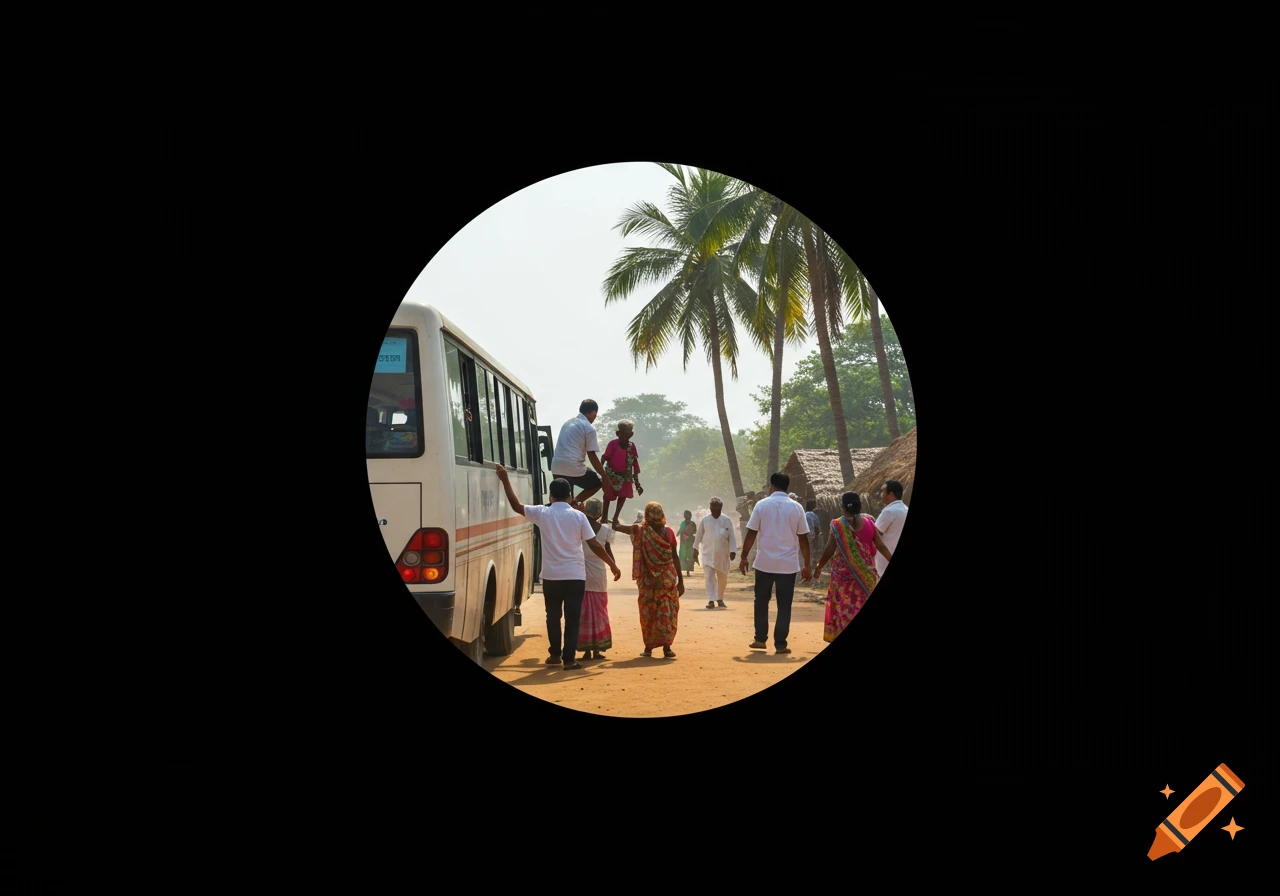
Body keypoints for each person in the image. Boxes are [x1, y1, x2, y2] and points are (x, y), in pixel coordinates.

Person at [493, 463, 619, 670]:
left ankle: (555, 655)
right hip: (576, 576)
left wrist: (505, 480)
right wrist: (612, 565)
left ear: (551, 496)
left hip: (552, 577)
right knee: (572, 617)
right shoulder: (578, 516)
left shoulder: (543, 513)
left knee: (553, 616)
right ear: (570, 496)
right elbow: (594, 544)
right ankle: (569, 660)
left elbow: (516, 506)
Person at [738, 472, 811, 655]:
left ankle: (760, 639)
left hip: (764, 563)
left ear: (771, 486)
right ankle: (780, 644)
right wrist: (807, 565)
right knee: (784, 605)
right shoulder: (797, 508)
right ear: (787, 488)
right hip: (788, 565)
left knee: (761, 601)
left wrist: (744, 556)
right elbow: (803, 538)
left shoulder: (762, 505)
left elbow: (752, 533)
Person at [812, 491, 892, 642]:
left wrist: (819, 567)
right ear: (859, 506)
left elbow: (829, 549)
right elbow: (880, 546)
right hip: (866, 574)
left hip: (842, 577)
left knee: (843, 607)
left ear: (843, 507)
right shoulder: (869, 523)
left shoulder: (837, 525)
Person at [612, 503, 684, 658]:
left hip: (647, 580)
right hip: (667, 579)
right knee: (666, 611)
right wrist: (681, 580)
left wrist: (614, 510)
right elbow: (675, 557)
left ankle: (648, 647)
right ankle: (667, 647)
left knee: (648, 612)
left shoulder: (639, 530)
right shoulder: (669, 532)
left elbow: (616, 526)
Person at [550, 399, 609, 508]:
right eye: (594, 416)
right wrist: (604, 477)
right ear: (593, 413)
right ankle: (574, 503)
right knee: (596, 484)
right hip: (574, 468)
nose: (594, 419)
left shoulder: (567, 423)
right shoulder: (588, 428)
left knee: (562, 501)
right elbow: (592, 455)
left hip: (556, 467)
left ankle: (566, 507)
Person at [578, 498, 615, 660]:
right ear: (600, 512)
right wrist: (614, 567)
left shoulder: (579, 527)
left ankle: (585, 648)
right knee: (599, 610)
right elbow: (607, 551)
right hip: (599, 574)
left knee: (583, 611)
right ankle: (597, 649)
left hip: (580, 572)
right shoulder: (605, 530)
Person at [693, 497, 737, 609]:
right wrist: (695, 550)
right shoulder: (705, 520)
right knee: (709, 577)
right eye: (713, 508)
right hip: (707, 554)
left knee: (722, 577)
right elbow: (698, 536)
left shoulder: (727, 520)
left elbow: (731, 536)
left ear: (721, 508)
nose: (715, 510)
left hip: (722, 555)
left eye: (717, 508)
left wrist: (733, 551)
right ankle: (711, 600)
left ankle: (720, 598)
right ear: (710, 508)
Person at [599, 418, 643, 526]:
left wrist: (637, 484)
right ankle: (604, 517)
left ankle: (615, 518)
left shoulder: (632, 447)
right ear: (617, 433)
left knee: (623, 495)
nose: (624, 436)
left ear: (631, 434)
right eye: (622, 434)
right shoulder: (613, 444)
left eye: (627, 434)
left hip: (626, 476)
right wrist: (602, 475)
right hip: (612, 474)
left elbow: (634, 464)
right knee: (608, 496)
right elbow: (604, 458)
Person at [873, 480, 909, 581]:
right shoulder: (905, 509)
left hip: (885, 558)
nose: (881, 494)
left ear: (891, 494)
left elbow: (875, 534)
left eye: (883, 491)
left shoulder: (889, 511)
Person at [676, 510, 698, 575]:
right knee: (687, 555)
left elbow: (694, 531)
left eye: (685, 515)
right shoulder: (691, 523)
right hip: (687, 542)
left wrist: (681, 533)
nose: (685, 516)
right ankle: (687, 571)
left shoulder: (684, 523)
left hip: (686, 542)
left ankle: (686, 571)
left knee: (685, 555)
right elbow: (694, 531)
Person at [804, 500, 821, 565]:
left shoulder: (804, 514)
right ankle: (810, 563)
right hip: (811, 532)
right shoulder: (814, 515)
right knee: (811, 548)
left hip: (804, 532)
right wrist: (817, 535)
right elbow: (817, 527)